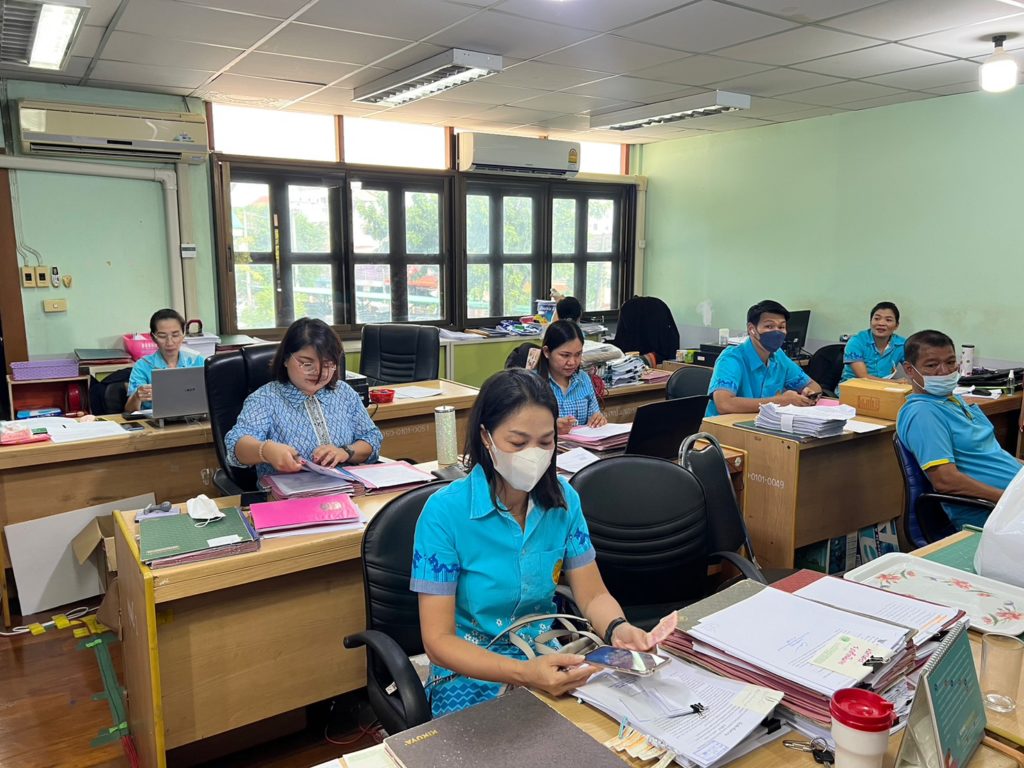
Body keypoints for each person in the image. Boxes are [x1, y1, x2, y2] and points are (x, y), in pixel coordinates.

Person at [411, 369, 654, 716]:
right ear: (485, 436)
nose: (533, 454)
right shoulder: (445, 514)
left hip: (546, 659)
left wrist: (618, 628)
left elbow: (593, 595)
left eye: (545, 442)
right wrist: (524, 673)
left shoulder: (564, 501)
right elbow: (438, 642)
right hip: (468, 672)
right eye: (518, 442)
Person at [224, 317, 382, 479]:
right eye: (307, 363)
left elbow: (371, 438)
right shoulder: (265, 399)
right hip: (289, 491)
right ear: (286, 359)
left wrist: (346, 451)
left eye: (327, 364)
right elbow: (235, 447)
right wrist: (266, 450)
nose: (318, 372)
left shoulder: (344, 393)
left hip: (348, 487)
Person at [896, 330, 1022, 529]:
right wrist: (1009, 501)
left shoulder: (954, 401)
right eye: (932, 365)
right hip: (993, 513)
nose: (944, 371)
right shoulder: (923, 412)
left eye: (950, 362)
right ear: (910, 370)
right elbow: (946, 481)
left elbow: (991, 453)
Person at [705, 299, 822, 417]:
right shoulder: (731, 358)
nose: (777, 332)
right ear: (752, 329)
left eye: (781, 327)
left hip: (762, 424)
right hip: (723, 426)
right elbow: (724, 404)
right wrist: (779, 401)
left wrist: (808, 394)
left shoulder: (778, 356)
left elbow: (813, 385)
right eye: (769, 326)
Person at [125, 308, 205, 412]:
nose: (170, 342)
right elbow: (129, 411)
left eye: (175, 335)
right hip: (154, 420)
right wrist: (137, 396)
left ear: (183, 334)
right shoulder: (143, 366)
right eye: (162, 336)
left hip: (195, 417)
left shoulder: (197, 361)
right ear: (153, 337)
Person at [537, 320, 607, 433]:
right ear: (546, 352)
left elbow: (594, 416)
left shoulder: (583, 378)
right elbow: (523, 428)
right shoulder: (532, 384)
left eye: (578, 354)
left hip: (582, 442)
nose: (572, 362)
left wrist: (598, 420)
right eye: (565, 355)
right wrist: (550, 428)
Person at [838, 302, 906, 388]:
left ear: (896, 325)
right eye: (877, 319)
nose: (881, 323)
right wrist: (895, 383)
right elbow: (863, 377)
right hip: (853, 388)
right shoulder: (856, 341)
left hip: (884, 389)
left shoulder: (901, 344)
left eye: (888, 320)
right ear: (870, 322)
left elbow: (914, 370)